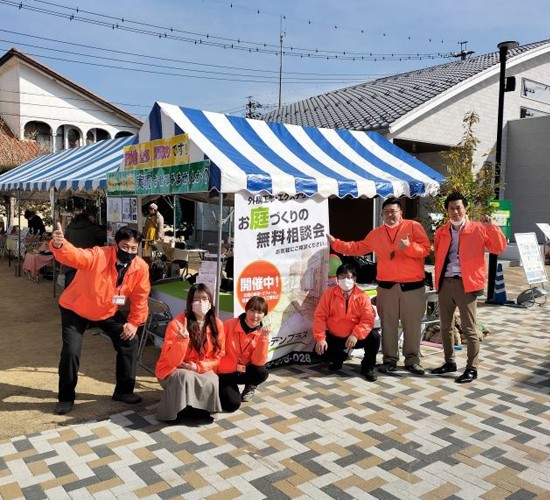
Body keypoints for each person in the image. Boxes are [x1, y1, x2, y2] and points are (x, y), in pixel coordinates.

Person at [49, 224, 150, 415]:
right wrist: (60, 245)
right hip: (75, 308)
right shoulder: (98, 255)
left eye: (133, 248)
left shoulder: (140, 267)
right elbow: (76, 256)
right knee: (71, 351)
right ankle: (66, 397)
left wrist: (134, 322)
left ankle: (124, 391)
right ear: (115, 244)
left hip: (106, 310)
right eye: (125, 246)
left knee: (129, 340)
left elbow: (140, 297)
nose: (129, 251)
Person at [327, 197, 430, 376]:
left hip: (413, 287)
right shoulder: (376, 233)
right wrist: (336, 244)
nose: (391, 215)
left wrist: (409, 247)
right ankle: (389, 359)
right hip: (387, 287)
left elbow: (426, 249)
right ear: (382, 215)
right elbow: (358, 247)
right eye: (387, 212)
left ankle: (412, 360)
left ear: (401, 213)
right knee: (387, 324)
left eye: (394, 211)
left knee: (412, 324)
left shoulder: (413, 226)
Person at [431, 192, 507, 383]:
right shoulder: (441, 231)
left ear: (465, 208)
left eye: (458, 207)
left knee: (469, 328)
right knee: (445, 326)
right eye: (451, 208)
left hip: (467, 284)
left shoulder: (479, 229)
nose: (455, 211)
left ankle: (472, 368)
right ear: (447, 210)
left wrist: (492, 227)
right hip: (445, 282)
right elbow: (439, 255)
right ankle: (449, 362)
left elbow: (498, 248)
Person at [155, 283, 225, 423]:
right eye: (197, 299)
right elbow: (172, 361)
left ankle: (200, 409)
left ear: (210, 302)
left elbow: (219, 355)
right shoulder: (177, 324)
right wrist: (182, 340)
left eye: (205, 299)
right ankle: (174, 412)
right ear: (190, 302)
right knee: (184, 376)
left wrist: (199, 367)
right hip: (174, 369)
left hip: (200, 366)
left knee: (212, 378)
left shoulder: (217, 324)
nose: (201, 302)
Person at [313, 263, 381, 381]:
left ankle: (368, 367)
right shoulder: (329, 294)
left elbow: (368, 319)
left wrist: (356, 334)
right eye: (342, 277)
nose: (345, 280)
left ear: (354, 279)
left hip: (354, 337)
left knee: (374, 337)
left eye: (349, 277)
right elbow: (319, 316)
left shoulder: (362, 296)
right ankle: (338, 358)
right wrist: (320, 338)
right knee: (319, 351)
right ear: (337, 279)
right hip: (335, 336)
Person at [218, 296, 271, 412]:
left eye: (260, 312)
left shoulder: (262, 333)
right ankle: (222, 389)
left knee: (261, 372)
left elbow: (258, 362)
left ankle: (250, 386)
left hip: (243, 371)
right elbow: (216, 348)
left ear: (264, 315)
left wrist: (263, 338)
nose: (255, 315)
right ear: (246, 310)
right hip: (225, 372)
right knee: (231, 405)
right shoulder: (228, 324)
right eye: (252, 310)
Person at [64, 212, 107, 287]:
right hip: (87, 257)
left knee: (71, 275)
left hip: (72, 255)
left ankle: (69, 293)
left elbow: (65, 241)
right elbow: (105, 237)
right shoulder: (92, 228)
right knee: (85, 279)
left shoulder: (70, 228)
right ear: (87, 219)